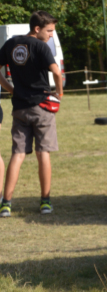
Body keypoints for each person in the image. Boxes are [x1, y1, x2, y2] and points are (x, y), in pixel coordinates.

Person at [0, 11, 63, 217]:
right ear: (37, 29)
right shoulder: (40, 46)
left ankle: (6, 203)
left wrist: (11, 90)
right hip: (42, 107)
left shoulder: (10, 44)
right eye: (50, 31)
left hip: (19, 107)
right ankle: (45, 201)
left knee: (17, 155)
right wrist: (59, 94)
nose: (52, 35)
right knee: (42, 153)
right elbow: (56, 72)